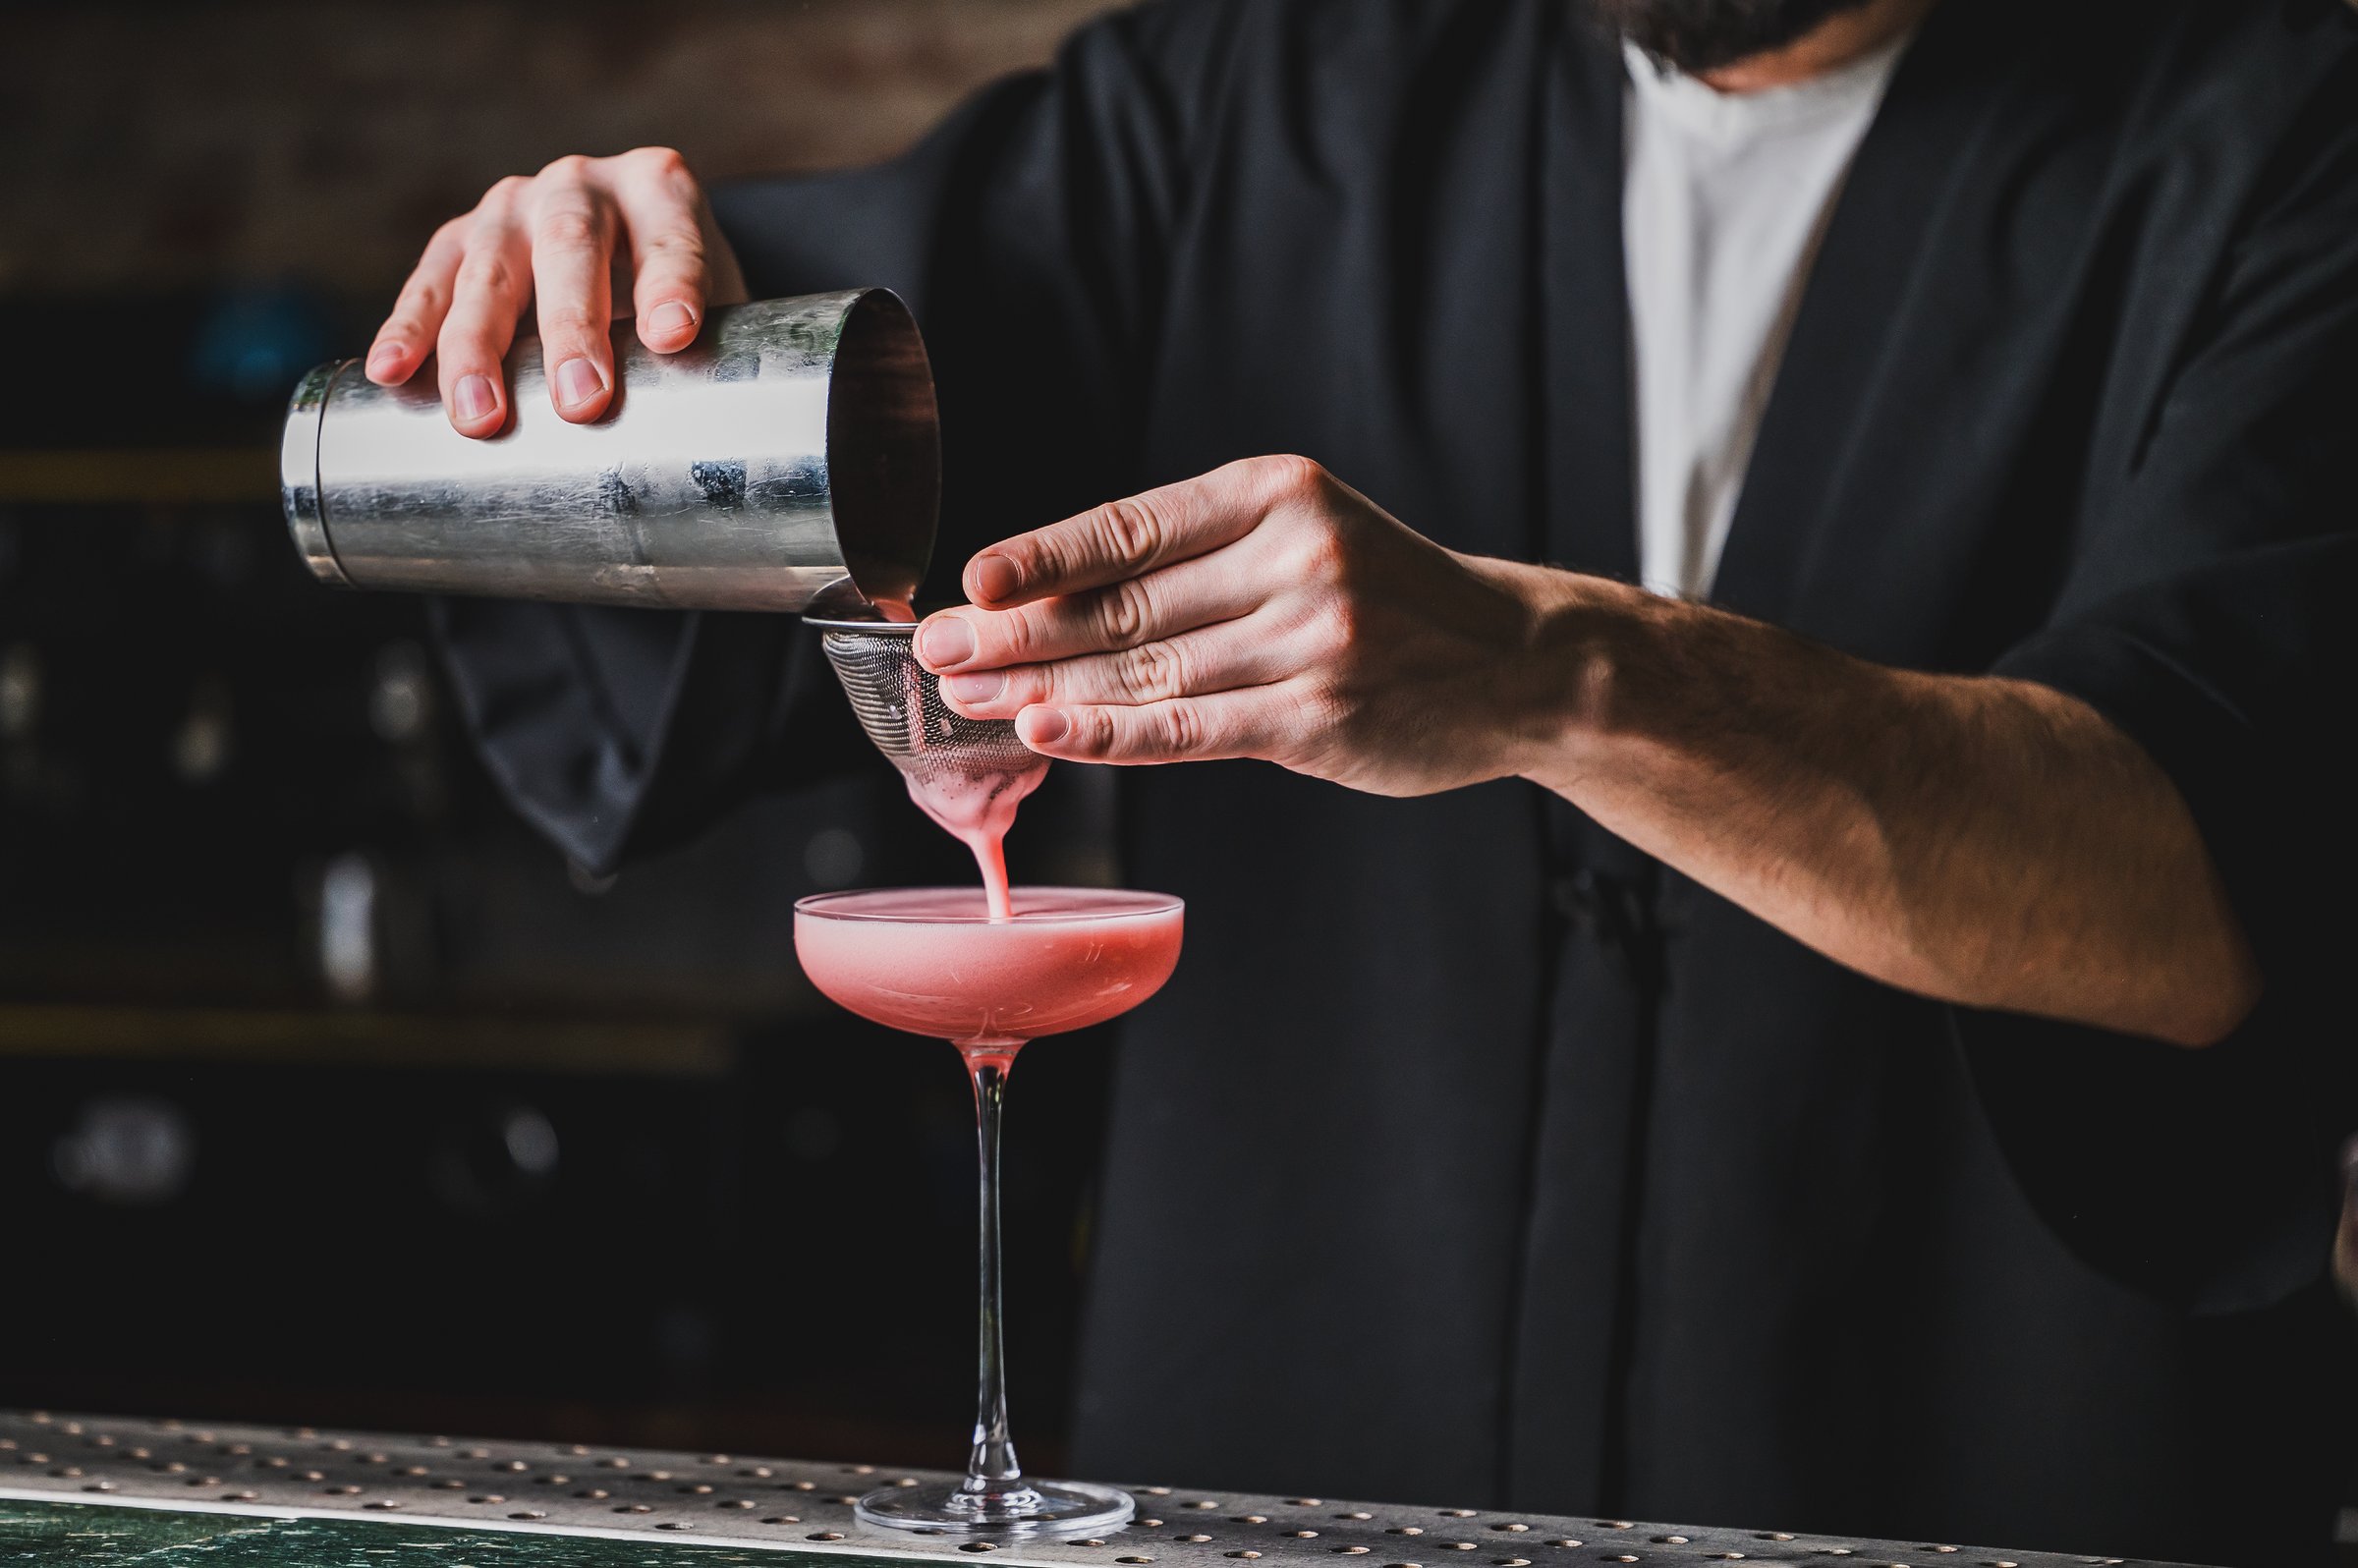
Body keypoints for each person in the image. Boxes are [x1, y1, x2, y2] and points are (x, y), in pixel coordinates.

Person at [365, 0, 2358, 1561]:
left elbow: (2198, 878)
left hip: (1972, 1477)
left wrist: (1554, 677)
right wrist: (589, 304)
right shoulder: (1247, 100)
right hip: (1278, 1472)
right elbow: (769, 478)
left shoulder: (2275, 131)